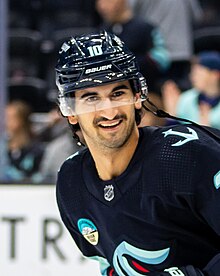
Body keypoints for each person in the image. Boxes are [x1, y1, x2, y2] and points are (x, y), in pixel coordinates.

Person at [55, 30, 220, 275]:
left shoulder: (190, 156)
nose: (109, 112)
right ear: (70, 110)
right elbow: (109, 264)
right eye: (91, 98)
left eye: (118, 94)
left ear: (137, 97)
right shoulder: (71, 182)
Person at [95, 0, 170, 94]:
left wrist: (126, 66)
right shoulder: (101, 32)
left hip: (146, 90)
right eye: (99, 2)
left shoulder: (145, 28)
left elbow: (162, 60)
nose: (101, 6)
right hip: (110, 92)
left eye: (107, 1)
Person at [162, 51, 220, 129]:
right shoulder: (186, 98)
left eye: (197, 72)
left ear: (215, 74)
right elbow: (173, 135)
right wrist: (171, 114)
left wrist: (208, 131)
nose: (192, 76)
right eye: (192, 72)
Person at [4, 100, 44, 183]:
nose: (7, 122)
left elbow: (39, 175)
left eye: (11, 118)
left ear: (22, 120)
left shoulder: (35, 149)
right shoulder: (3, 146)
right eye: (6, 117)